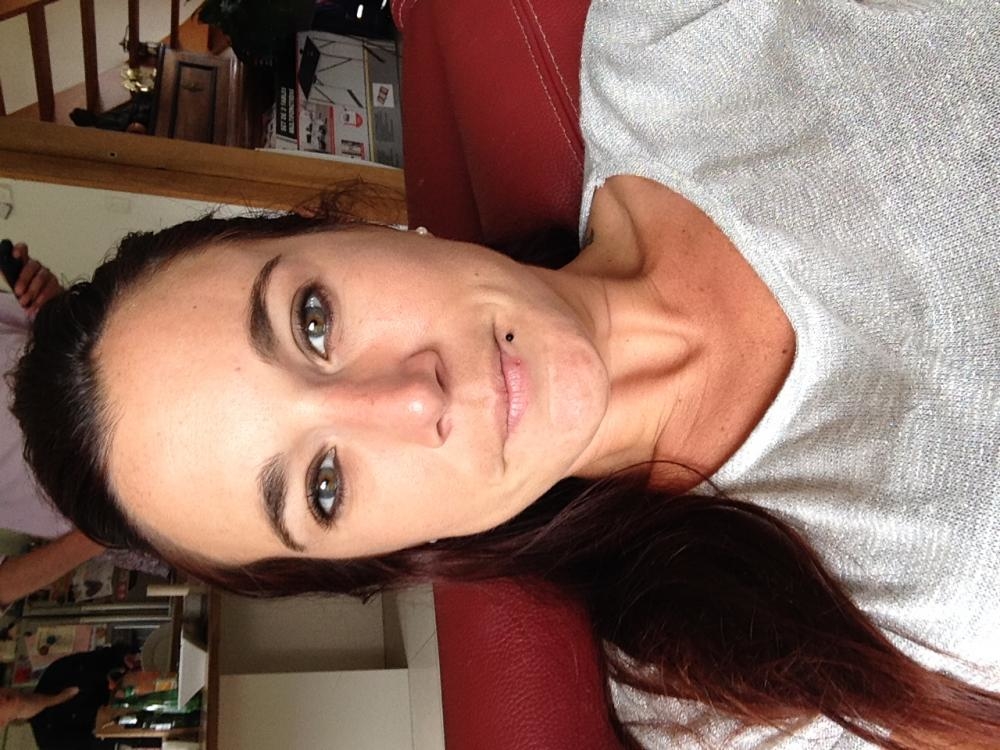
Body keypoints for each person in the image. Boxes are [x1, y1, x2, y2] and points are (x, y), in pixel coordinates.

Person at [8, 2, 1000, 749]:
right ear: (387, 554)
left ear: (341, 227)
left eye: (312, 320)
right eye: (325, 484)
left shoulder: (673, 36)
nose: (411, 398)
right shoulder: (738, 698)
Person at [0, 244, 164, 609]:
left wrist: (52, 307)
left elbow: (49, 339)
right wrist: (98, 532)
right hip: (117, 497)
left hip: (151, 385)